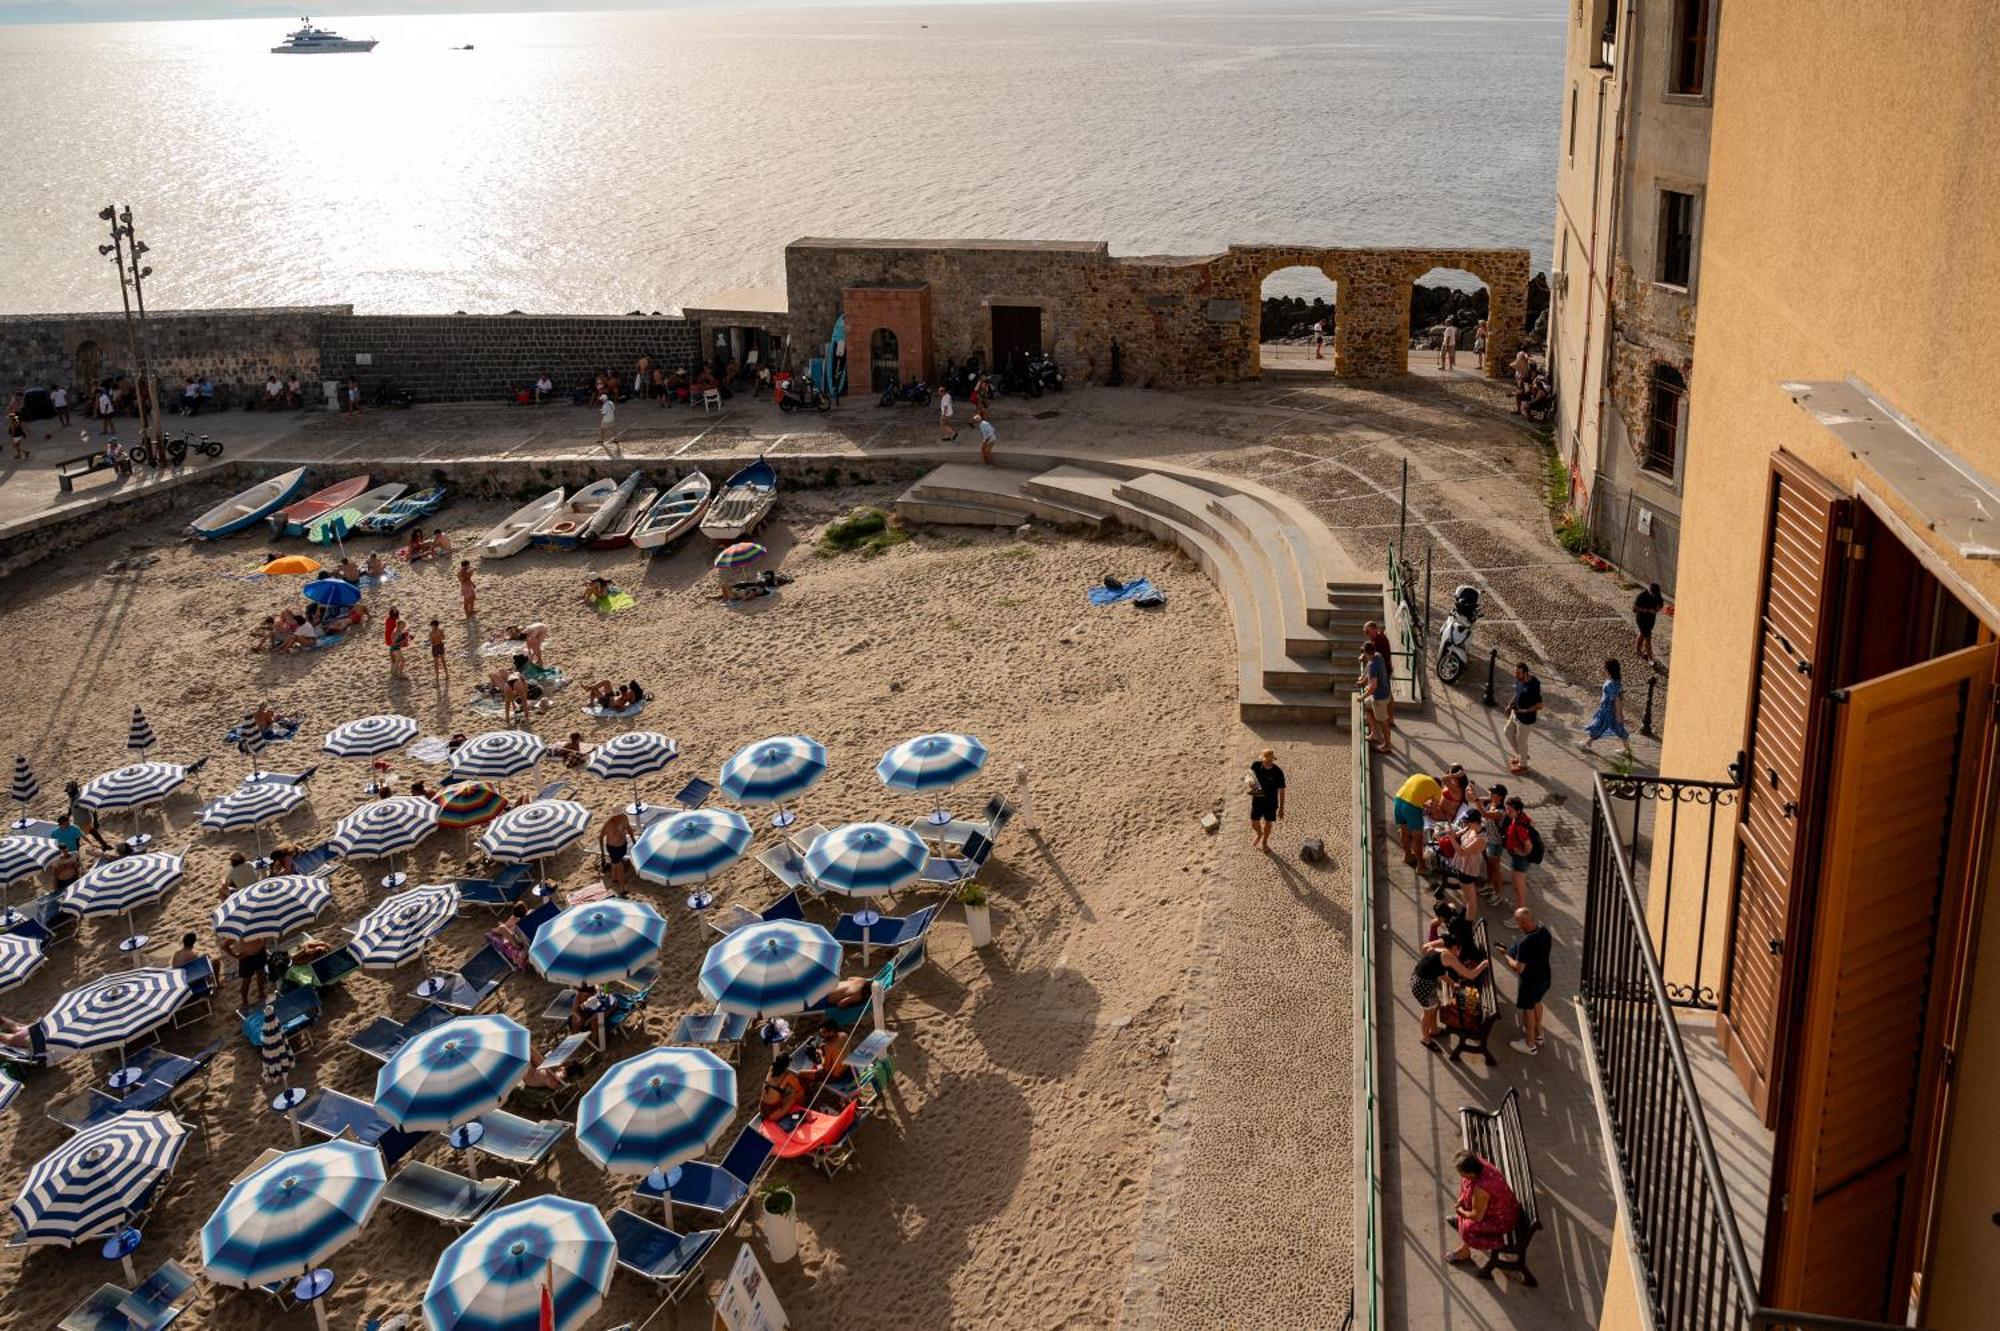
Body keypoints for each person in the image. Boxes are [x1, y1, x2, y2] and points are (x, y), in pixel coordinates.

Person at [1413, 923, 1489, 1052]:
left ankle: (1434, 1029)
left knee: (1435, 1006)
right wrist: (1483, 964)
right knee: (1428, 1012)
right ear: (1454, 947)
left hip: (1421, 982)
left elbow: (1439, 972)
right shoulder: (1447, 956)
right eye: (1458, 949)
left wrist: (1451, 983)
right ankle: (1426, 1038)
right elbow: (1470, 975)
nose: (1458, 952)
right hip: (1423, 987)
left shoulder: (1436, 950)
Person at [1446, 1149, 1521, 1266]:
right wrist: (1462, 1199)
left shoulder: (1481, 1189)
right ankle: (1461, 1222)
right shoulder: (1479, 1163)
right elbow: (1467, 1184)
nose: (1459, 1173)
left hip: (1502, 1219)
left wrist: (1460, 1211)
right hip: (1501, 1206)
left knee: (1467, 1228)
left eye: (1460, 1172)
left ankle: (1464, 1251)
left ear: (1470, 1173)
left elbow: (1477, 1216)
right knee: (1465, 1190)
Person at [1502, 907, 1554, 1054]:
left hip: (1530, 982)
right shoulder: (1544, 932)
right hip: (1544, 977)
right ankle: (1539, 1035)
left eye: (1516, 920)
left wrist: (1506, 955)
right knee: (1537, 1002)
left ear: (1521, 923)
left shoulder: (1526, 943)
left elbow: (1519, 968)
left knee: (1528, 1009)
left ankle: (1529, 1044)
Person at [1581, 657, 1633, 758]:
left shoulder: (1611, 683)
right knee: (1618, 729)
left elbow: (1617, 700)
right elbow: (1619, 697)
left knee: (1599, 726)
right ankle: (1627, 750)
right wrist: (1619, 714)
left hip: (1607, 711)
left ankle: (1586, 743)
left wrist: (1618, 715)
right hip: (1609, 710)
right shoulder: (1615, 680)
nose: (1603, 669)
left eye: (1604, 667)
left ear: (1608, 669)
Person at [1392, 770, 1442, 866]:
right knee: (1418, 837)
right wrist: (1442, 817)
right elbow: (1433, 811)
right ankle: (1421, 865)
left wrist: (1424, 805)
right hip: (1411, 807)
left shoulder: (1418, 775)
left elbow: (1415, 794)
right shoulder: (1437, 790)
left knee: (1404, 830)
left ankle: (1407, 856)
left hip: (1398, 801)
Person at [1503, 662, 1543, 775]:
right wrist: (1510, 705)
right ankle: (1522, 755)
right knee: (1507, 732)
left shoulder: (1533, 685)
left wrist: (1524, 711)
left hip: (1526, 720)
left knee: (1521, 741)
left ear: (1526, 673)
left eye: (1518, 673)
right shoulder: (1519, 680)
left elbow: (1539, 705)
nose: (1516, 675)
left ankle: (1523, 765)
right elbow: (1517, 692)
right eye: (1515, 672)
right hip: (1515, 714)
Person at [1357, 641, 1393, 753]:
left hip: (1379, 698)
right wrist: (1363, 680)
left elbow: (1373, 686)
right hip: (1386, 693)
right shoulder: (1378, 655)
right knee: (1367, 707)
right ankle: (1375, 733)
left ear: (1367, 653)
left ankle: (1387, 746)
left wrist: (1362, 697)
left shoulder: (1372, 665)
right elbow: (1368, 666)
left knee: (1383, 722)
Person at [1248, 748, 1286, 852]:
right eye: (1266, 761)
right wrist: (1250, 783)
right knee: (1254, 823)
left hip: (1271, 802)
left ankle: (1264, 842)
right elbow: (1249, 777)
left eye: (1270, 761)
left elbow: (1281, 791)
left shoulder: (1278, 772)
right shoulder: (1255, 765)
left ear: (1273, 760)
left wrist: (1282, 808)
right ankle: (1259, 834)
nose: (1268, 763)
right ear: (1262, 759)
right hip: (1257, 798)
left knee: (1268, 824)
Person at [222, 933, 271, 1009]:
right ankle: (245, 1002)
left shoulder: (257, 925)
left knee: (261, 974)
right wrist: (236, 956)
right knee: (246, 981)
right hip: (246, 958)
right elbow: (225, 946)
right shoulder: (238, 932)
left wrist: (263, 944)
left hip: (260, 952)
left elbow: (265, 935)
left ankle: (261, 994)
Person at [485, 899, 533, 969]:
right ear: (526, 908)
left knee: (502, 928)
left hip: (521, 940)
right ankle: (498, 930)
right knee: (504, 928)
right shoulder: (532, 912)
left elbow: (522, 939)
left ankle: (514, 945)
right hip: (530, 933)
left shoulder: (518, 925)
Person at [598, 807, 633, 888]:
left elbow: (629, 828)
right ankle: (623, 887)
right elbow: (600, 837)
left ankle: (614, 878)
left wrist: (633, 840)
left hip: (623, 845)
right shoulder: (608, 824)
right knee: (620, 867)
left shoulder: (624, 817)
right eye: (618, 815)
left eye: (621, 814)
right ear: (614, 816)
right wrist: (602, 854)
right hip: (613, 848)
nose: (620, 816)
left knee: (615, 862)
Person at [1633, 582, 1665, 662]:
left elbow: (1660, 606)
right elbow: (1634, 608)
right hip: (1641, 619)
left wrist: (1655, 610)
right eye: (1652, 593)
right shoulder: (1642, 595)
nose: (1653, 595)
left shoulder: (1657, 595)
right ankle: (1650, 656)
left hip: (1650, 620)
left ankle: (1637, 649)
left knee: (1643, 634)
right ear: (1649, 590)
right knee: (1648, 637)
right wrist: (1646, 610)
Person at [429, 619, 447, 683]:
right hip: (439, 646)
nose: (431, 627)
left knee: (439, 662)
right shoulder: (437, 631)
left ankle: (440, 677)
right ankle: (444, 675)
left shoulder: (432, 632)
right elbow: (442, 638)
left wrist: (437, 638)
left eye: (432, 626)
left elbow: (432, 641)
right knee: (440, 661)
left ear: (434, 625)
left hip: (437, 646)